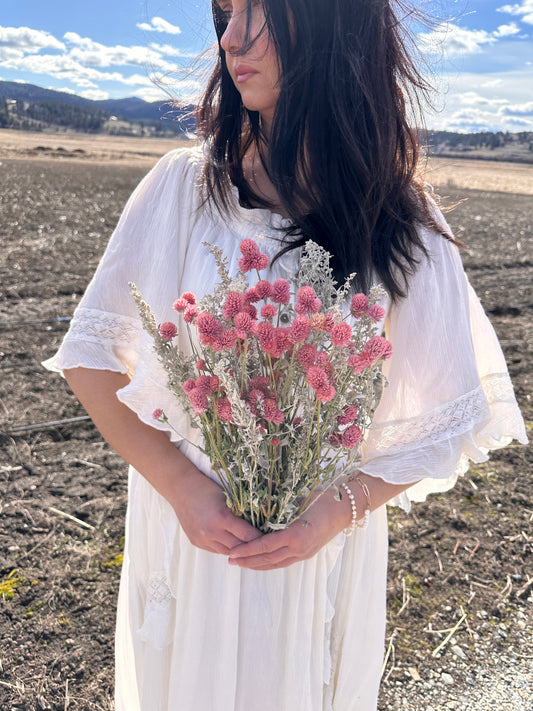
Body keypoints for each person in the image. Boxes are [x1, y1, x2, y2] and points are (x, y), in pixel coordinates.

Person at [43, 0, 527, 709]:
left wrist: (334, 512)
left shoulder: (397, 217)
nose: (232, 38)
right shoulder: (185, 189)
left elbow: (450, 410)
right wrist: (184, 489)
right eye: (224, 11)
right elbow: (90, 359)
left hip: (316, 561)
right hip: (193, 547)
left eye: (259, 10)